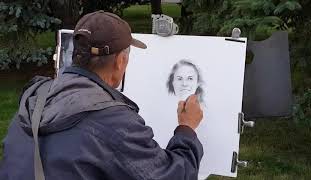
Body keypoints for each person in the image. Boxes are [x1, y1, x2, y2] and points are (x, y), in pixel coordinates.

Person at [0, 11, 204, 180]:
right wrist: (186, 129)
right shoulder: (112, 121)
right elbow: (173, 175)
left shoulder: (35, 98)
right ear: (120, 62)